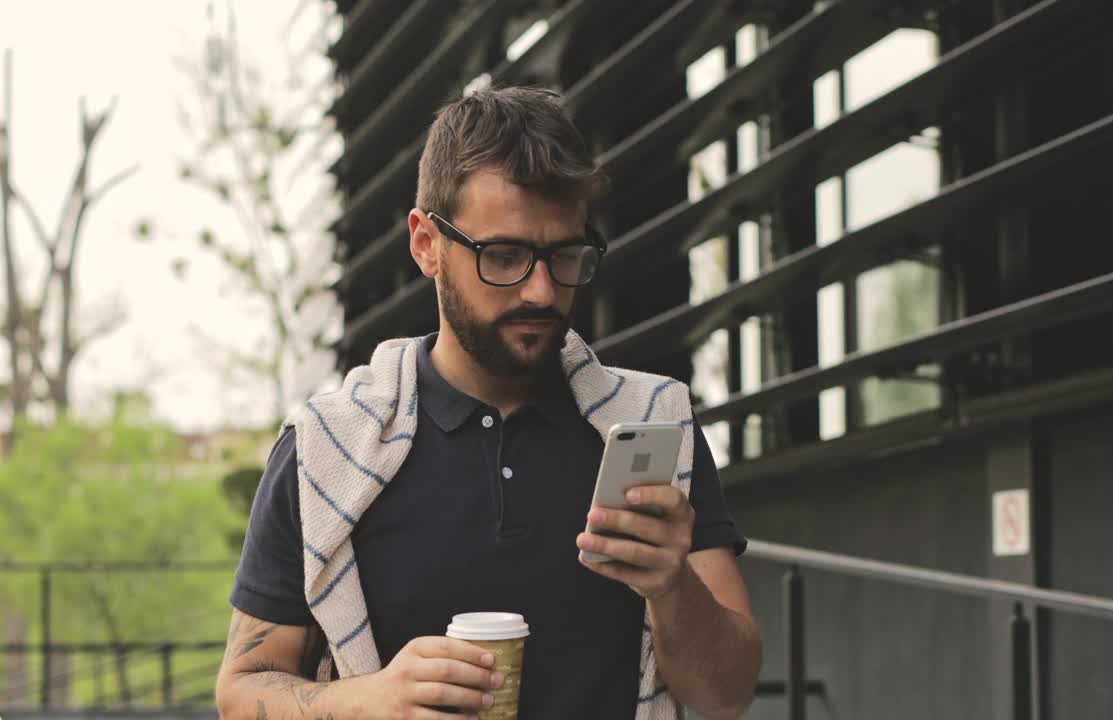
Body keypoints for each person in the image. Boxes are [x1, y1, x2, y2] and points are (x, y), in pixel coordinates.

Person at [214, 86, 762, 720]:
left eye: (564, 256)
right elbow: (242, 689)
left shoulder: (651, 426)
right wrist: (371, 701)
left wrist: (673, 589)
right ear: (426, 244)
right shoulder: (325, 449)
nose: (540, 290)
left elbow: (728, 698)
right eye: (503, 256)